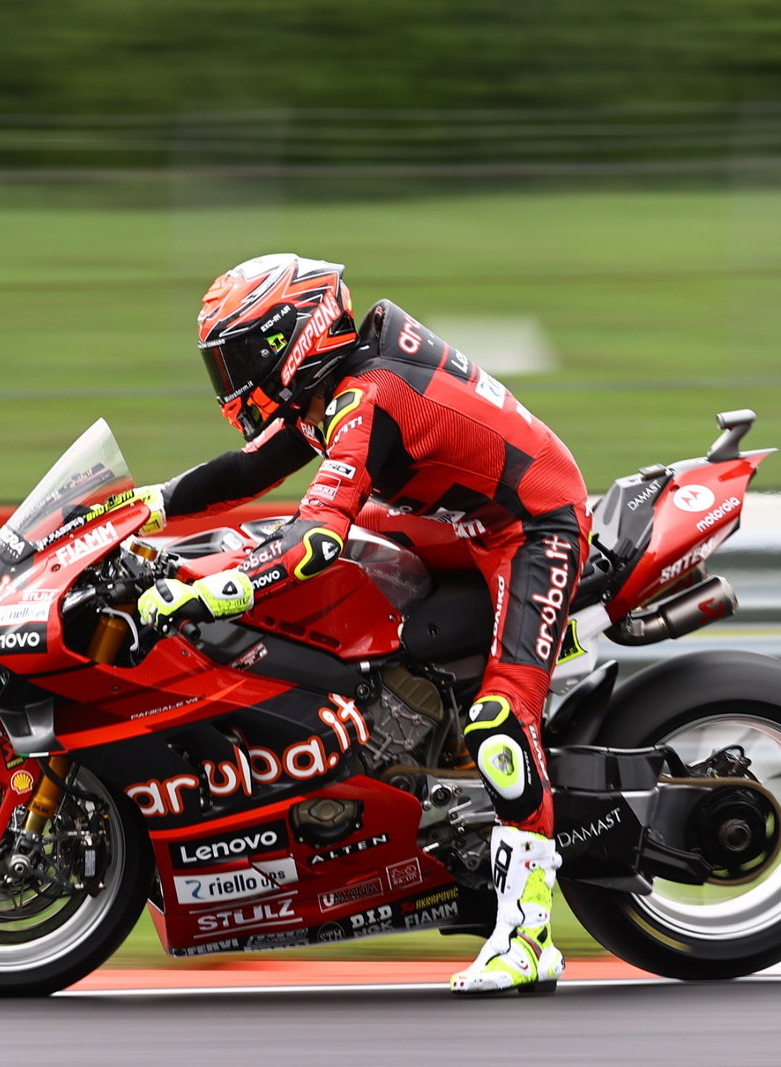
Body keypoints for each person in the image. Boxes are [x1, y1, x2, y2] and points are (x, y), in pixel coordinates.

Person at [133, 253, 590, 996]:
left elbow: (315, 540)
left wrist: (204, 596)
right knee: (349, 582)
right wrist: (136, 509)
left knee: (501, 724)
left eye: (242, 357)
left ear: (295, 338)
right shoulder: (332, 391)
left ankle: (530, 935)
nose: (234, 380)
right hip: (461, 516)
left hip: (532, 527)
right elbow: (246, 471)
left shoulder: (366, 396)